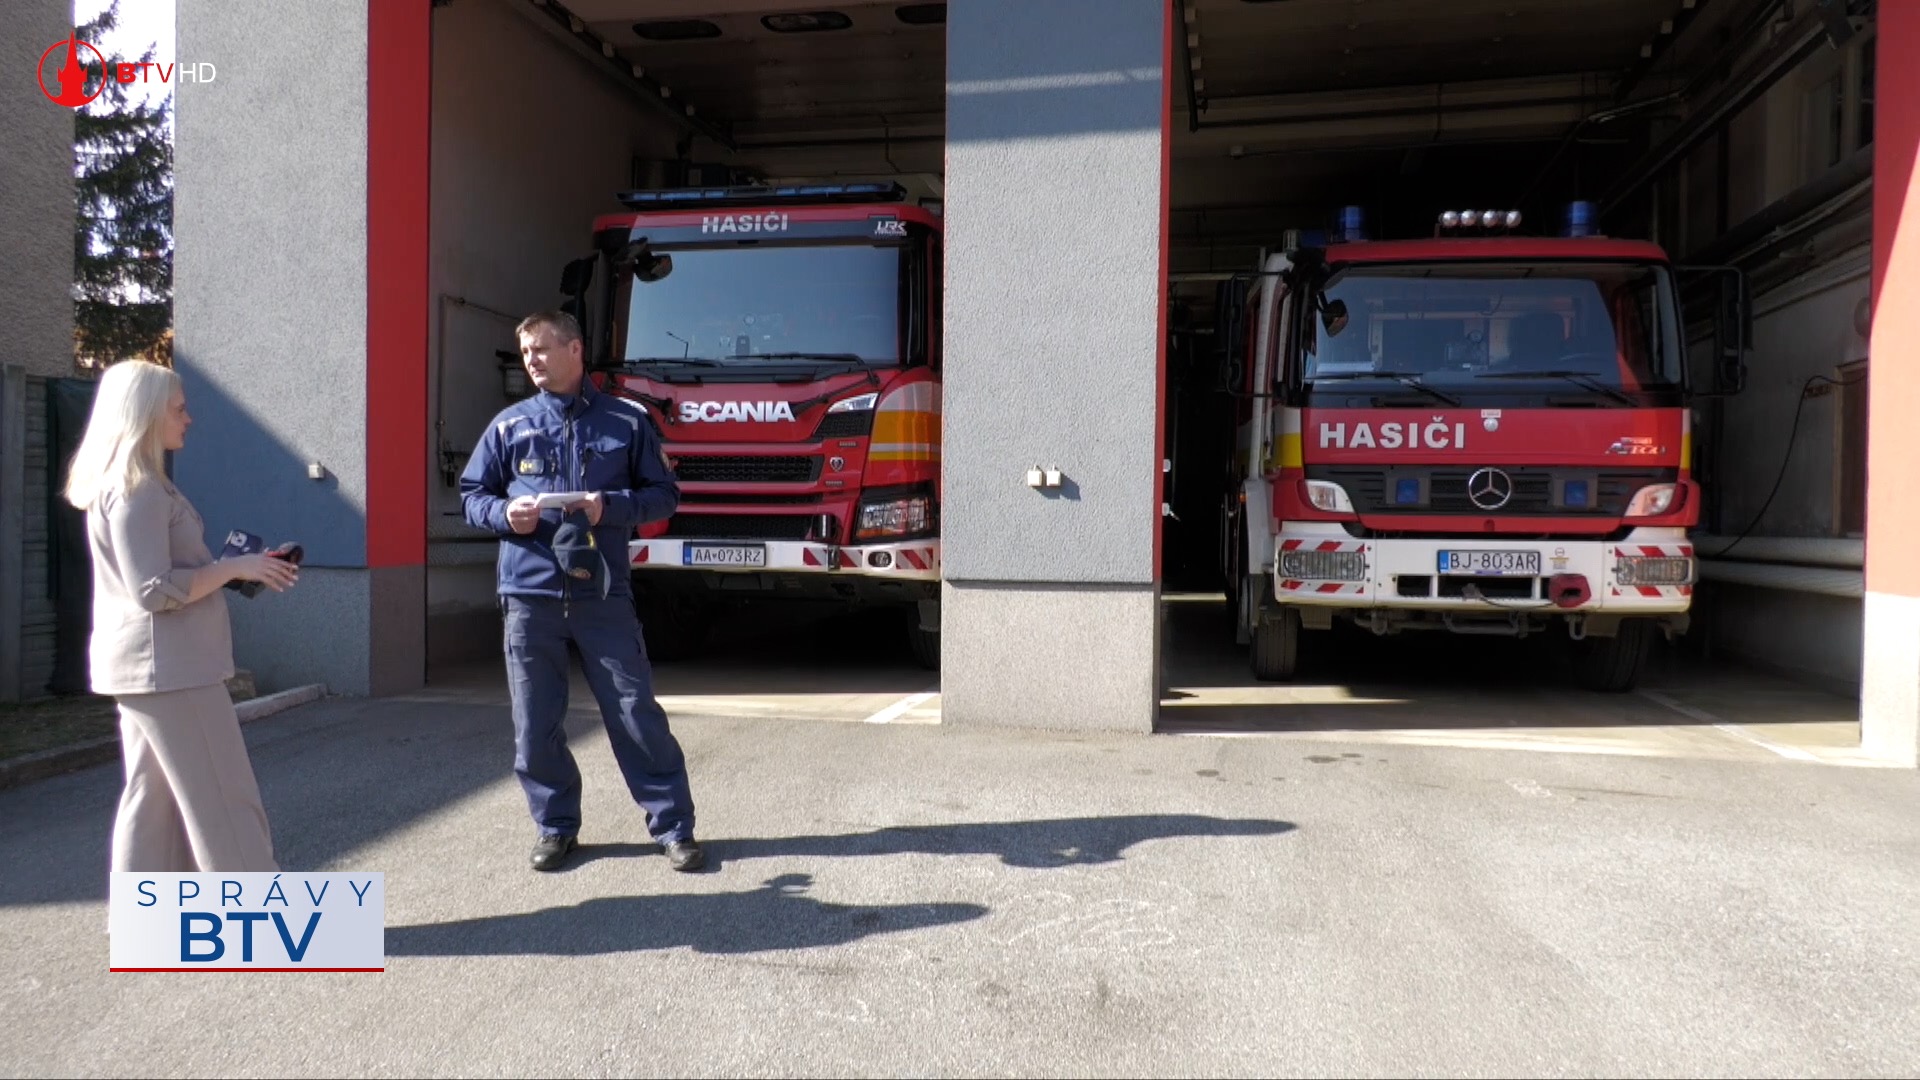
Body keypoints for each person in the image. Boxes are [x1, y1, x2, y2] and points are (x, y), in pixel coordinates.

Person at [460, 310, 703, 874]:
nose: (532, 361)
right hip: (528, 596)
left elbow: (664, 496)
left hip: (602, 595)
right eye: (526, 353)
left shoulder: (627, 422)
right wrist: (504, 513)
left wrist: (608, 507)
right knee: (535, 723)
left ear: (575, 349)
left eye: (542, 349)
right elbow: (472, 496)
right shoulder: (509, 426)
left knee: (635, 713)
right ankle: (555, 827)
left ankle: (673, 828)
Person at [63, 360, 301, 873]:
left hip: (151, 670)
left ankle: (143, 917)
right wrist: (235, 567)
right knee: (225, 804)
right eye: (178, 408)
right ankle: (259, 913)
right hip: (172, 670)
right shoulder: (139, 489)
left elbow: (158, 580)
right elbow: (153, 590)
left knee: (153, 806)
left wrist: (237, 568)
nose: (188, 418)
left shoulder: (128, 485)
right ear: (145, 413)